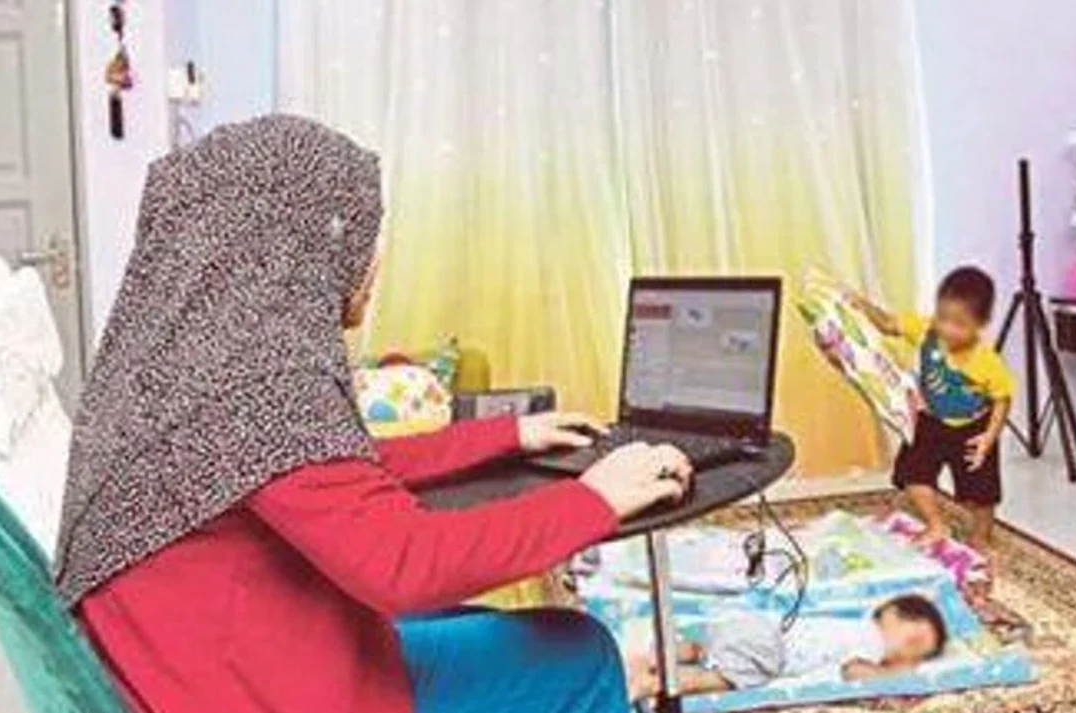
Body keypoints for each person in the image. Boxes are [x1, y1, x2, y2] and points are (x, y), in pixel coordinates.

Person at [53, 115, 694, 713]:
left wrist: (508, 434)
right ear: (293, 245)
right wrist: (596, 498)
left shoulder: (176, 367)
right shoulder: (261, 385)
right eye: (356, 231)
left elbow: (332, 468)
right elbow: (407, 565)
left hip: (198, 658)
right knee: (580, 648)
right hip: (263, 688)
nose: (371, 257)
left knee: (479, 624)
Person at [851, 267, 1014, 555]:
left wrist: (989, 437)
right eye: (943, 317)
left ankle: (981, 536)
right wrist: (861, 305)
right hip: (931, 420)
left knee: (981, 492)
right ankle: (936, 524)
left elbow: (1002, 399)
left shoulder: (986, 360)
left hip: (973, 428)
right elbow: (888, 324)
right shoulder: (926, 329)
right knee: (912, 473)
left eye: (959, 324)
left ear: (982, 323)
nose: (947, 329)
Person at [627, 594, 948, 697]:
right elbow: (853, 672)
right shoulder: (869, 641)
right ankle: (656, 683)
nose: (908, 656)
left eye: (919, 655)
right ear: (890, 614)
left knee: (704, 649)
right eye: (913, 642)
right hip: (770, 648)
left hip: (754, 625)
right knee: (727, 678)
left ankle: (649, 658)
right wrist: (899, 673)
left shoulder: (852, 625)